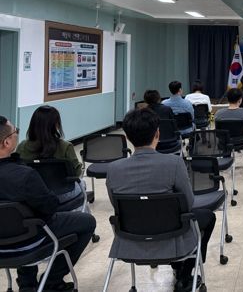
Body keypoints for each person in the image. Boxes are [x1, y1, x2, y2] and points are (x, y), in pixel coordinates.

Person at [106, 108, 216, 292]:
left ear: (127, 136)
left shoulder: (113, 169)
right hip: (171, 237)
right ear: (157, 133)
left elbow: (116, 205)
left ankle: (181, 270)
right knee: (207, 217)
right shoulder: (174, 163)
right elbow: (188, 204)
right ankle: (184, 273)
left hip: (131, 239)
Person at [0, 116, 96, 292]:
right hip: (28, 242)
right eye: (15, 132)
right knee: (87, 222)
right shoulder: (24, 175)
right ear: (6, 142)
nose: (17, 135)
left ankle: (27, 284)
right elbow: (50, 207)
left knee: (19, 222)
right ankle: (52, 281)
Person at [16, 106, 84, 203]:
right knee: (82, 184)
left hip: (32, 195)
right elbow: (76, 174)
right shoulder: (65, 146)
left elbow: (18, 172)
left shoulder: (22, 146)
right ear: (56, 125)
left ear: (33, 124)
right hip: (60, 194)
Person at [215, 88, 243, 164]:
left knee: (223, 139)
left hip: (225, 143)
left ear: (228, 99)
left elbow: (218, 131)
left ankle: (226, 160)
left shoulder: (218, 113)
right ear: (240, 100)